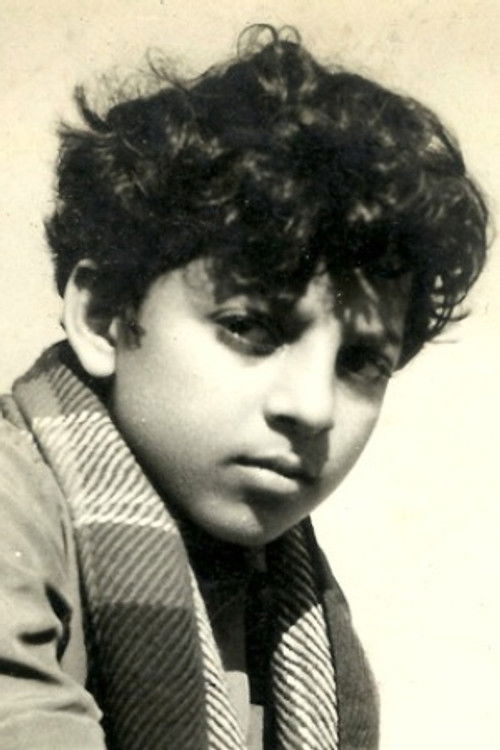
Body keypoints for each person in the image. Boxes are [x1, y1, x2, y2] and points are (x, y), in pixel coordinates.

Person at [0, 23, 488, 750]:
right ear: (103, 317)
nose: (312, 407)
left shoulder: (285, 603)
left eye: (360, 363)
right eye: (251, 328)